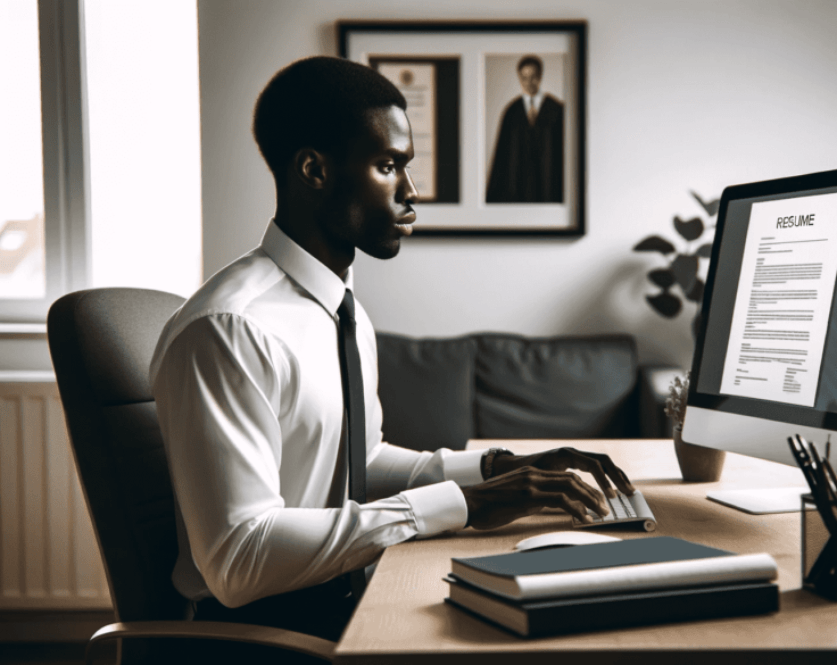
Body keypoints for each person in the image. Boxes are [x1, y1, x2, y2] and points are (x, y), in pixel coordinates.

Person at [148, 56, 632, 648]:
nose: (412, 192)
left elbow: (360, 463)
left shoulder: (340, 307)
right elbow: (239, 559)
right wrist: (462, 505)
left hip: (346, 597)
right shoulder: (230, 329)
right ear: (314, 170)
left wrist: (502, 469)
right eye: (388, 166)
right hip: (271, 637)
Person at [485, 54, 565, 203]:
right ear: (519, 78)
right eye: (524, 77)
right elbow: (502, 159)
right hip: (519, 193)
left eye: (533, 76)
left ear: (540, 76)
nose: (528, 82)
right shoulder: (511, 112)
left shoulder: (557, 110)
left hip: (550, 190)